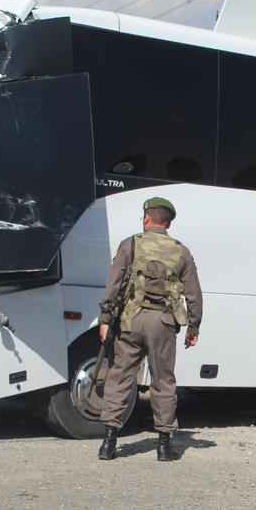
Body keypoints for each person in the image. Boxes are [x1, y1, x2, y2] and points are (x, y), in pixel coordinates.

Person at [96, 197, 203, 462]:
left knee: (121, 376)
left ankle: (108, 443)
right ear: (167, 223)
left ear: (146, 219)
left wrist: (105, 318)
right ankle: (164, 446)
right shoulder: (182, 251)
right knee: (163, 381)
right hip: (164, 324)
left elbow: (114, 283)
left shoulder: (131, 244)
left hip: (131, 321)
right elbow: (194, 295)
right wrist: (194, 326)